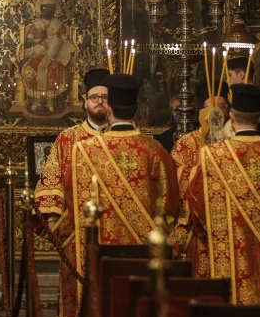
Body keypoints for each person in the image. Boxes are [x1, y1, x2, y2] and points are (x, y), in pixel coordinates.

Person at [179, 84, 260, 304]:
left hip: (223, 248)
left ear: (231, 117)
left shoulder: (211, 154)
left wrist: (209, 235)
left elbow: (195, 202)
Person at [68, 72, 179, 296]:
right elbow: (170, 207)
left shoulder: (83, 151)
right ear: (136, 109)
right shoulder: (155, 150)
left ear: (109, 109)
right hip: (145, 256)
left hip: (99, 254)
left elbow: (73, 205)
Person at [33, 68, 110, 317]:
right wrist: (54, 219)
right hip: (75, 233)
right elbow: (50, 179)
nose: (100, 102)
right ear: (85, 101)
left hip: (115, 228)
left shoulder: (122, 137)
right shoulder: (68, 138)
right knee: (74, 291)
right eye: (94, 97)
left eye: (104, 97)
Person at [170, 82, 229, 258]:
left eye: (221, 107)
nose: (214, 112)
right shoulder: (186, 143)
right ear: (200, 113)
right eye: (209, 107)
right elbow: (176, 178)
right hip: (194, 224)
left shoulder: (235, 141)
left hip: (229, 220)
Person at [226, 56, 260, 142]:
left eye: (230, 75)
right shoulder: (258, 98)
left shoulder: (254, 100)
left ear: (241, 75)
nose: (227, 80)